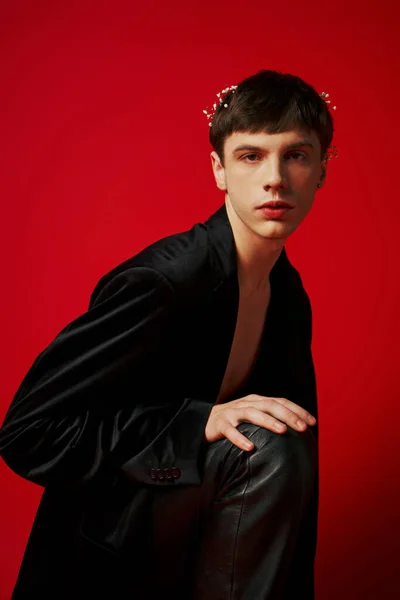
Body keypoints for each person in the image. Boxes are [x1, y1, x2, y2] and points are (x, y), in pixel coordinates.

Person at [0, 69, 336, 599]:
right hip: (108, 549)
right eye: (251, 156)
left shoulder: (287, 296)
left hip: (208, 532)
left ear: (321, 170)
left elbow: (291, 493)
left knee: (284, 441)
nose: (275, 177)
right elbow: (28, 432)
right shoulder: (167, 283)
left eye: (296, 155)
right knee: (272, 445)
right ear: (219, 170)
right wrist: (199, 422)